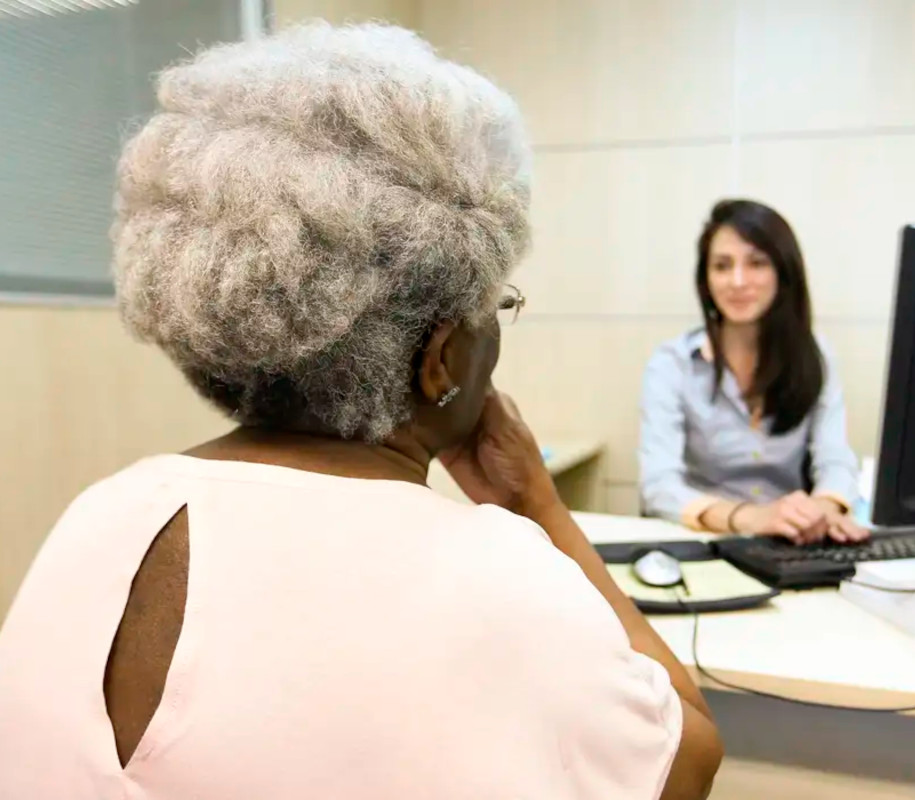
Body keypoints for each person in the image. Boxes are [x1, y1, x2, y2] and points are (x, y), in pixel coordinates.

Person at [0, 24, 722, 800]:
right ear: (440, 356)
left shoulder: (100, 518)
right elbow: (687, 759)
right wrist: (536, 504)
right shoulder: (503, 578)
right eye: (495, 306)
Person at [639, 199, 868, 544]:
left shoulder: (815, 355)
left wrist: (823, 508)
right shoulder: (672, 363)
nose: (738, 281)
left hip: (792, 541)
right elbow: (658, 485)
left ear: (783, 271)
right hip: (708, 540)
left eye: (757, 263)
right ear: (706, 279)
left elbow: (834, 458)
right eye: (722, 266)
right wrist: (749, 518)